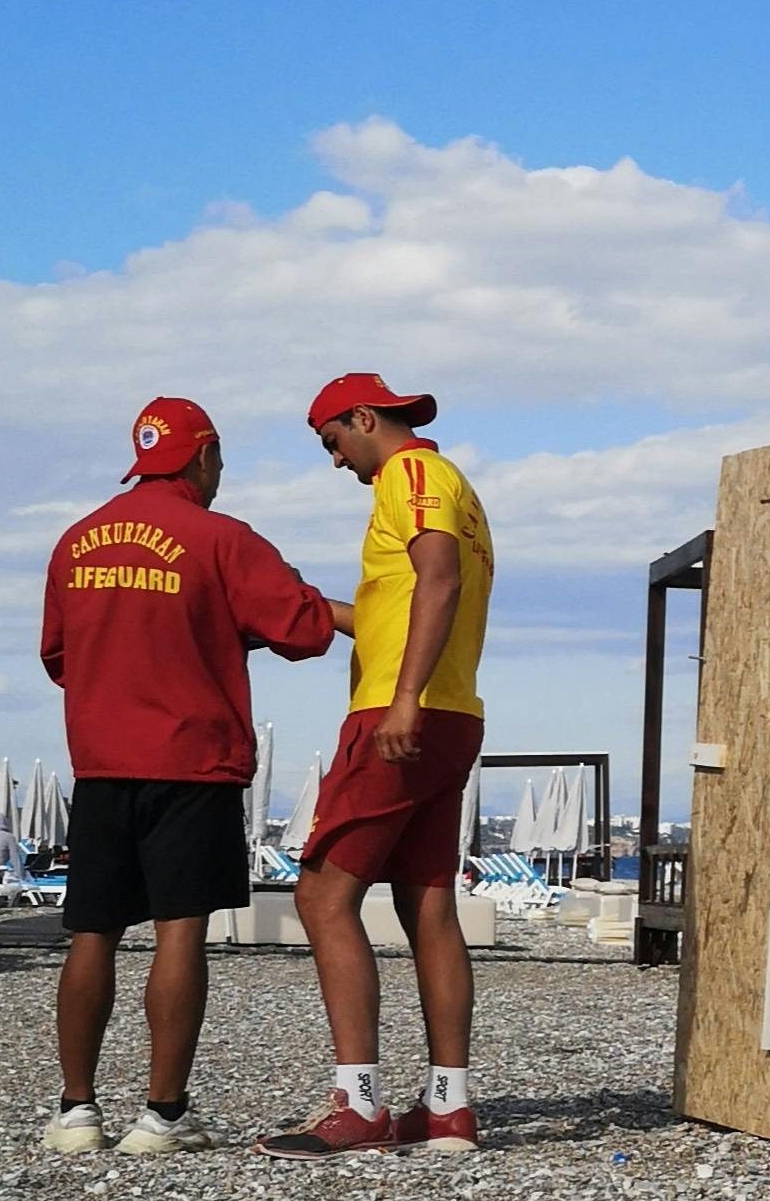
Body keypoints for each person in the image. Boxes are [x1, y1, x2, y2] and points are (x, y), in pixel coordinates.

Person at [39, 397, 338, 1158]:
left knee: (92, 933)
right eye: (220, 460)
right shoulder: (221, 538)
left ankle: (77, 1111)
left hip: (103, 760)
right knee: (181, 930)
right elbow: (304, 630)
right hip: (192, 762)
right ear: (201, 455)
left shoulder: (77, 541)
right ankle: (162, 1114)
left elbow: (58, 656)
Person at [261, 373, 494, 1158]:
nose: (334, 460)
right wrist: (314, 605)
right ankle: (448, 1109)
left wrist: (401, 699)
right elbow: (403, 605)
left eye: (332, 440)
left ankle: (358, 1104)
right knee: (428, 902)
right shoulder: (453, 487)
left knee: (323, 892)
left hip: (403, 717)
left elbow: (440, 579)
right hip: (452, 712)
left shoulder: (413, 474)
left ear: (364, 419)